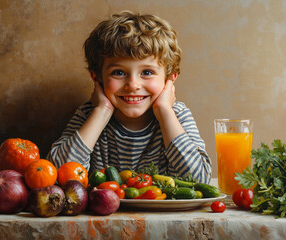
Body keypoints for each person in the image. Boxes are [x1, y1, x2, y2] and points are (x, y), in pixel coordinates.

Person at [47, 11, 212, 183]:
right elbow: (56, 177)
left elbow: (200, 180)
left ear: (169, 79)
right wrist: (101, 112)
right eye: (118, 72)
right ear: (97, 78)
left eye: (147, 72)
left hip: (162, 211)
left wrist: (164, 112)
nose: (133, 85)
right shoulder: (88, 114)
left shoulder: (177, 115)